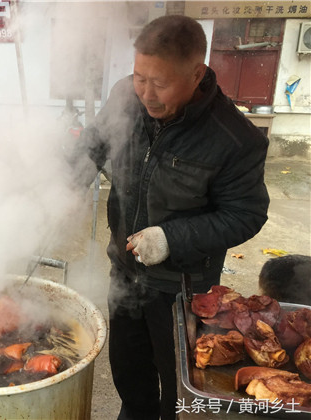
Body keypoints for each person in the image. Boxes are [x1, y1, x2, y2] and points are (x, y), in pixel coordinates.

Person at [70, 15, 270, 420]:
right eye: (140, 76)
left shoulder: (234, 139)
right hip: (124, 271)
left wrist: (172, 238)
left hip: (182, 290)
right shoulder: (126, 95)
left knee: (180, 385)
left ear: (197, 74)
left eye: (159, 83)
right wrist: (60, 182)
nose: (146, 93)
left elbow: (246, 213)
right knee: (129, 371)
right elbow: (93, 144)